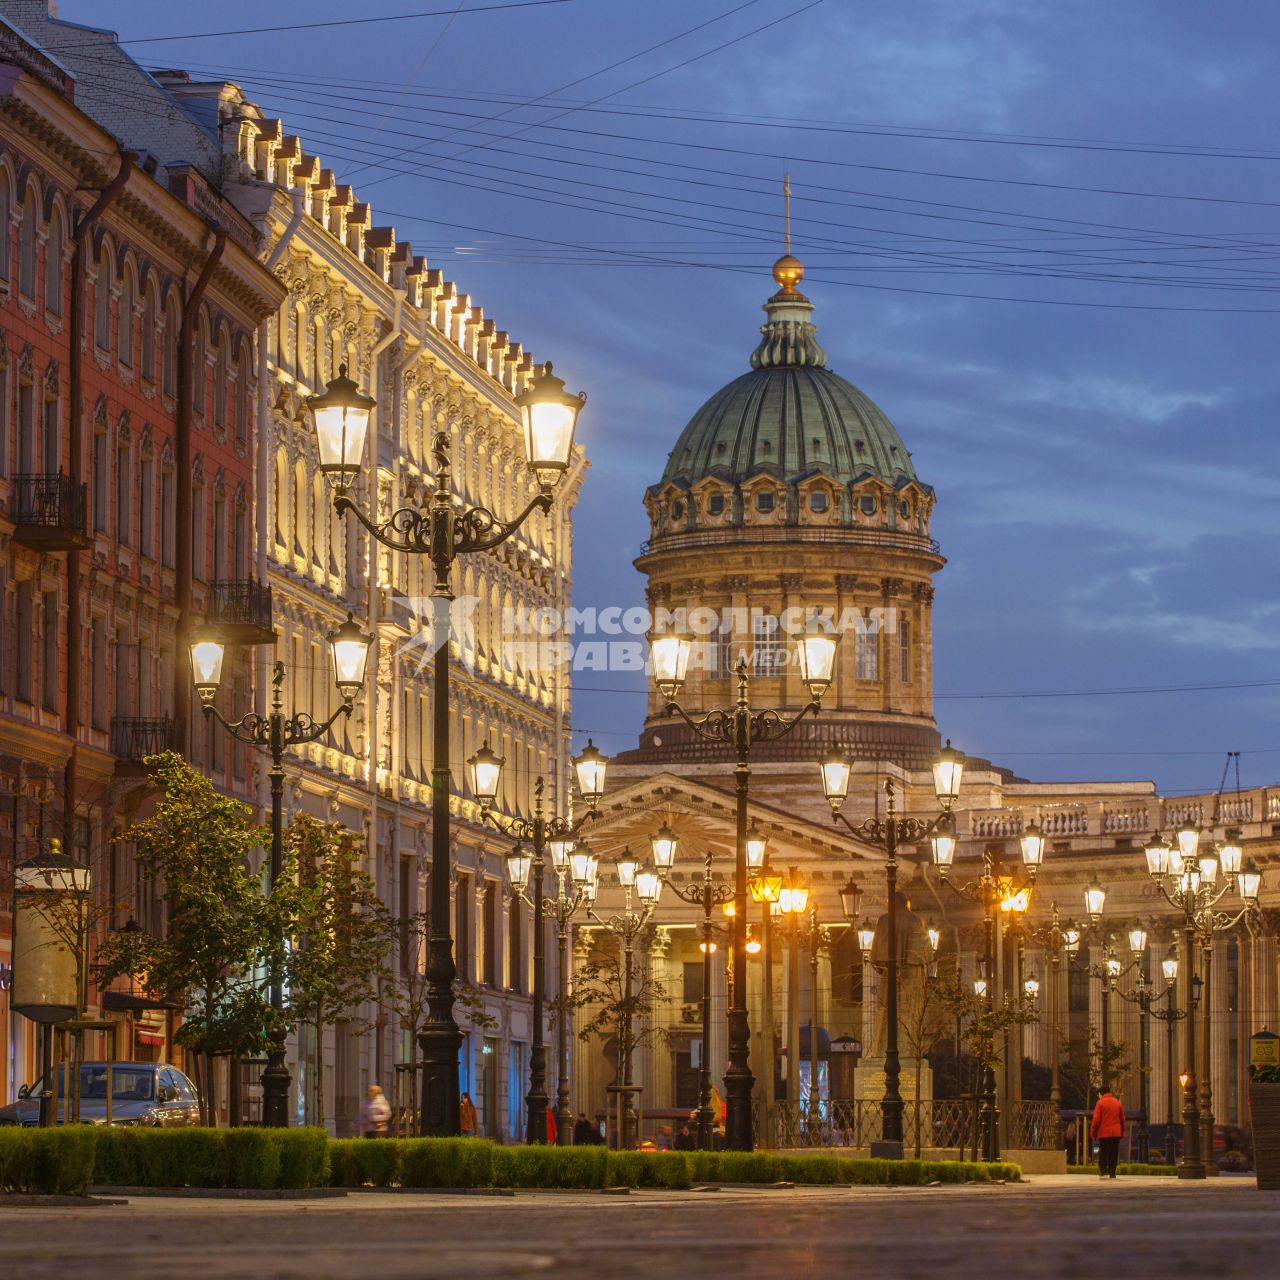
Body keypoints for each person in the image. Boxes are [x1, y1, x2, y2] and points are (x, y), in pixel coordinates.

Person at [1091, 1086, 1125, 1179]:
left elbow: (1096, 1120)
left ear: (1101, 1093)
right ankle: (1112, 1172)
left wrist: (1093, 1132)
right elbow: (1122, 1120)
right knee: (1113, 1153)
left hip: (1104, 1132)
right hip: (1115, 1133)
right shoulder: (1117, 1103)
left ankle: (1103, 1171)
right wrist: (1121, 1131)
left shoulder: (1100, 1103)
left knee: (1103, 1152)